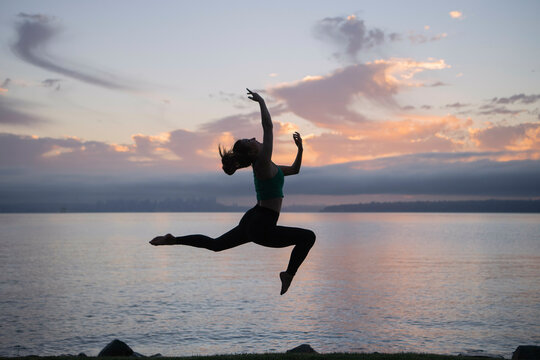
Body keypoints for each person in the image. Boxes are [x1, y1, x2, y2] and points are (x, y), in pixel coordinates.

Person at [150, 88, 315, 295]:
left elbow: (295, 170)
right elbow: (268, 127)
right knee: (308, 237)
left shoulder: (269, 167)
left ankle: (174, 240)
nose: (255, 138)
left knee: (216, 245)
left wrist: (300, 150)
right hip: (262, 223)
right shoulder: (262, 163)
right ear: (253, 151)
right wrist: (262, 101)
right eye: (251, 140)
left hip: (254, 218)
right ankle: (288, 274)